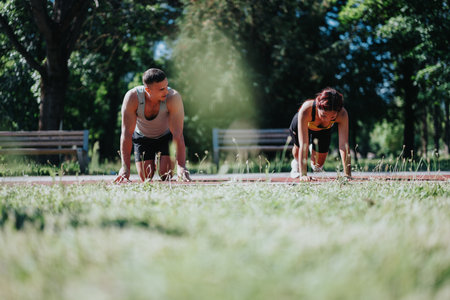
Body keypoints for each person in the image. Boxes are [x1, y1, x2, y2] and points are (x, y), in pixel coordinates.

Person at [114, 68, 191, 183]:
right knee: (146, 177)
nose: (166, 91)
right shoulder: (132, 97)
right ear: (147, 90)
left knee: (166, 175)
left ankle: (162, 163)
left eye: (167, 86)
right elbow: (126, 134)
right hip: (142, 137)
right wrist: (125, 168)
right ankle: (152, 162)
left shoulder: (173, 97)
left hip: (165, 137)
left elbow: (178, 134)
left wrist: (181, 166)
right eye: (161, 89)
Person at [289, 87, 351, 181]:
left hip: (323, 130)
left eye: (332, 117)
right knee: (298, 151)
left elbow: (343, 145)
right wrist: (303, 175)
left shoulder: (342, 114)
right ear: (318, 106)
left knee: (317, 167)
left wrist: (347, 174)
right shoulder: (307, 109)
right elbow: (303, 145)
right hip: (302, 124)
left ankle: (313, 149)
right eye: (323, 115)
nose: (327, 120)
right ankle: (296, 164)